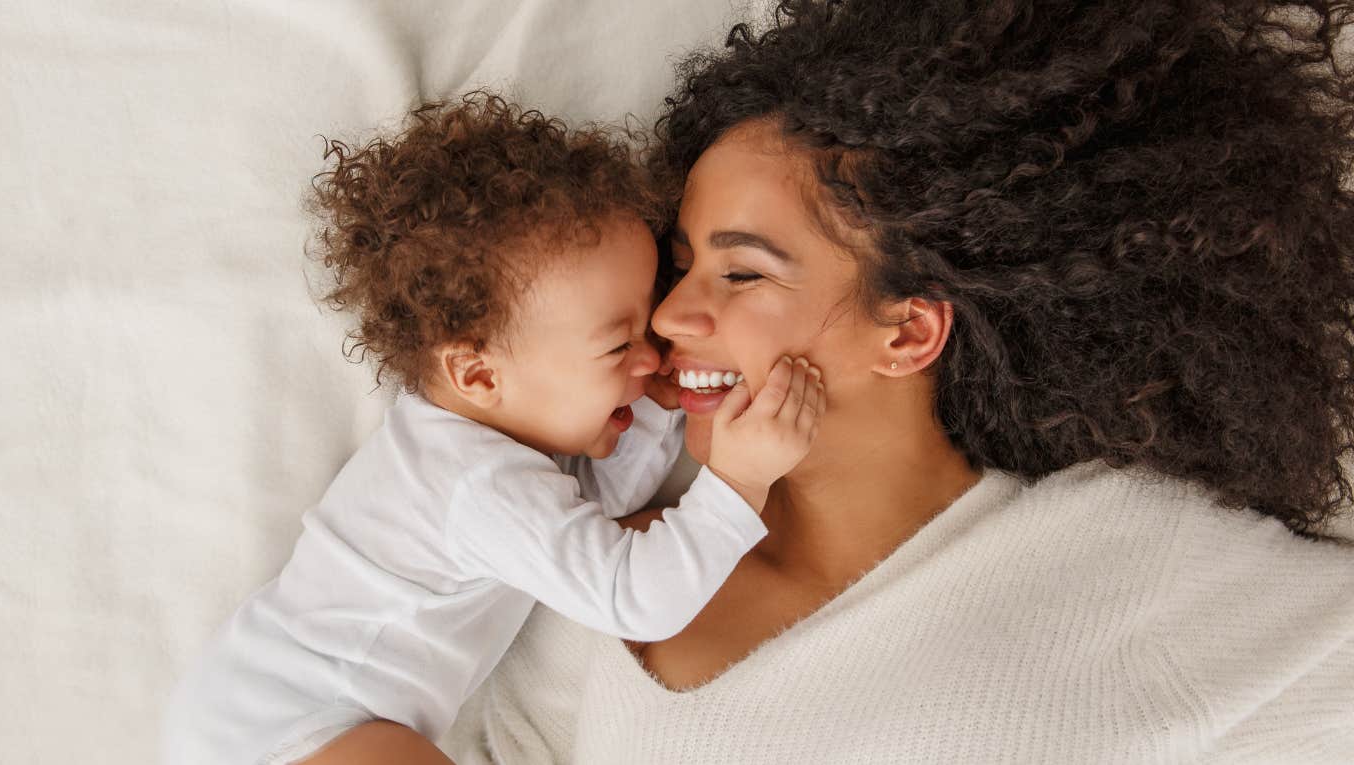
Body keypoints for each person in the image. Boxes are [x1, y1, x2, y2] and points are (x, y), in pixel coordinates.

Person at [432, 1, 1354, 762]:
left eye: (741, 273)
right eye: (681, 268)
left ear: (908, 329)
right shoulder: (598, 562)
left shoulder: (1122, 562)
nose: (671, 318)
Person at [159, 94, 826, 765]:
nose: (652, 355)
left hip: (272, 714)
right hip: (287, 727)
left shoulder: (484, 444)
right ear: (478, 375)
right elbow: (632, 594)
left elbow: (598, 515)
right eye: (618, 346)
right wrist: (739, 480)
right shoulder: (473, 481)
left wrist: (658, 402)